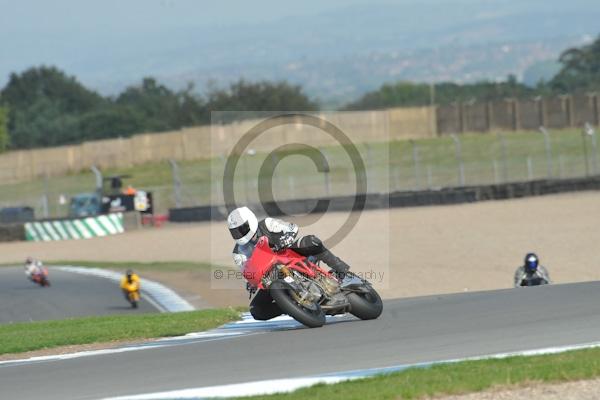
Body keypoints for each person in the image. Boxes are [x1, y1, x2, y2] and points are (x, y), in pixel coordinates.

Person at [227, 206, 353, 321]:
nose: (240, 233)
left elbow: (292, 227)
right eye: (236, 232)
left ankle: (341, 269)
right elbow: (246, 270)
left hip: (290, 254)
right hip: (271, 276)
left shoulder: (267, 224)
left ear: (250, 220)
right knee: (257, 310)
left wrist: (287, 237)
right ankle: (291, 305)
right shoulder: (238, 252)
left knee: (311, 241)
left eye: (242, 229)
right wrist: (250, 282)